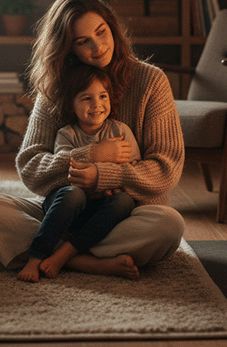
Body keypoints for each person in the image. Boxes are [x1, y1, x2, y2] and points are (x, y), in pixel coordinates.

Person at [0, 0, 186, 279]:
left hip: (124, 216)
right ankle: (87, 261)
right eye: (83, 42)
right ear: (68, 49)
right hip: (62, 213)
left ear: (113, 28)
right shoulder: (56, 89)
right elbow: (30, 166)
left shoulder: (152, 81)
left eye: (102, 32)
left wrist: (102, 174)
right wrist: (88, 155)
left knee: (169, 225)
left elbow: (167, 169)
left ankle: (51, 253)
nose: (99, 47)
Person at [18, 65, 139, 282]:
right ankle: (35, 257)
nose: (97, 104)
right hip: (66, 207)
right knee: (73, 194)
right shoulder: (66, 134)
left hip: (100, 211)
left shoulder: (120, 131)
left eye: (103, 96)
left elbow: (133, 168)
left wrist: (108, 179)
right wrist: (98, 154)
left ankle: (65, 254)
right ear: (71, 105)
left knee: (125, 202)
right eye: (86, 98)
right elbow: (68, 170)